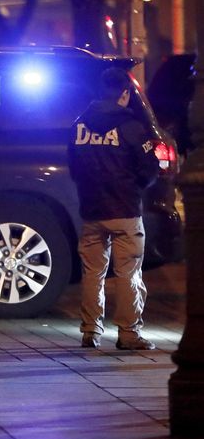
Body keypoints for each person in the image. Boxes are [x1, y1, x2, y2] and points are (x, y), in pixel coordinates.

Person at [68, 67, 160, 351]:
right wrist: (136, 186)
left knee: (93, 273)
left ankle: (90, 331)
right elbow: (149, 169)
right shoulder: (132, 128)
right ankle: (128, 334)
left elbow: (74, 167)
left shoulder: (79, 126)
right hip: (125, 210)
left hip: (92, 210)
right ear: (124, 94)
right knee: (128, 273)